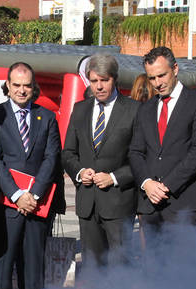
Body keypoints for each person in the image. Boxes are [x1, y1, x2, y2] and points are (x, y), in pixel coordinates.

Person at [0, 62, 63, 289]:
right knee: (4, 260)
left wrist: (34, 195)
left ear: (33, 86)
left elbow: (52, 158)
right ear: (7, 85)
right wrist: (17, 195)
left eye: (26, 85)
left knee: (33, 260)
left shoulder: (47, 117)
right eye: (16, 85)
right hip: (8, 204)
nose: (21, 90)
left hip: (38, 204)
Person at [127, 46, 196, 243]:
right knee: (153, 268)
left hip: (184, 202)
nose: (157, 83)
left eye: (161, 75)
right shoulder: (146, 109)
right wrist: (147, 183)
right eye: (152, 78)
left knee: (184, 268)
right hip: (150, 204)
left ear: (175, 69)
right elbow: (135, 151)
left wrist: (166, 186)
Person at [62, 54, 140, 268]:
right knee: (92, 268)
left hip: (119, 203)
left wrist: (114, 178)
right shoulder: (80, 109)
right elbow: (67, 152)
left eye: (104, 80)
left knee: (119, 267)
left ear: (114, 79)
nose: (99, 86)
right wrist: (79, 172)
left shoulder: (134, 110)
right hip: (87, 203)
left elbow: (141, 158)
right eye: (94, 81)